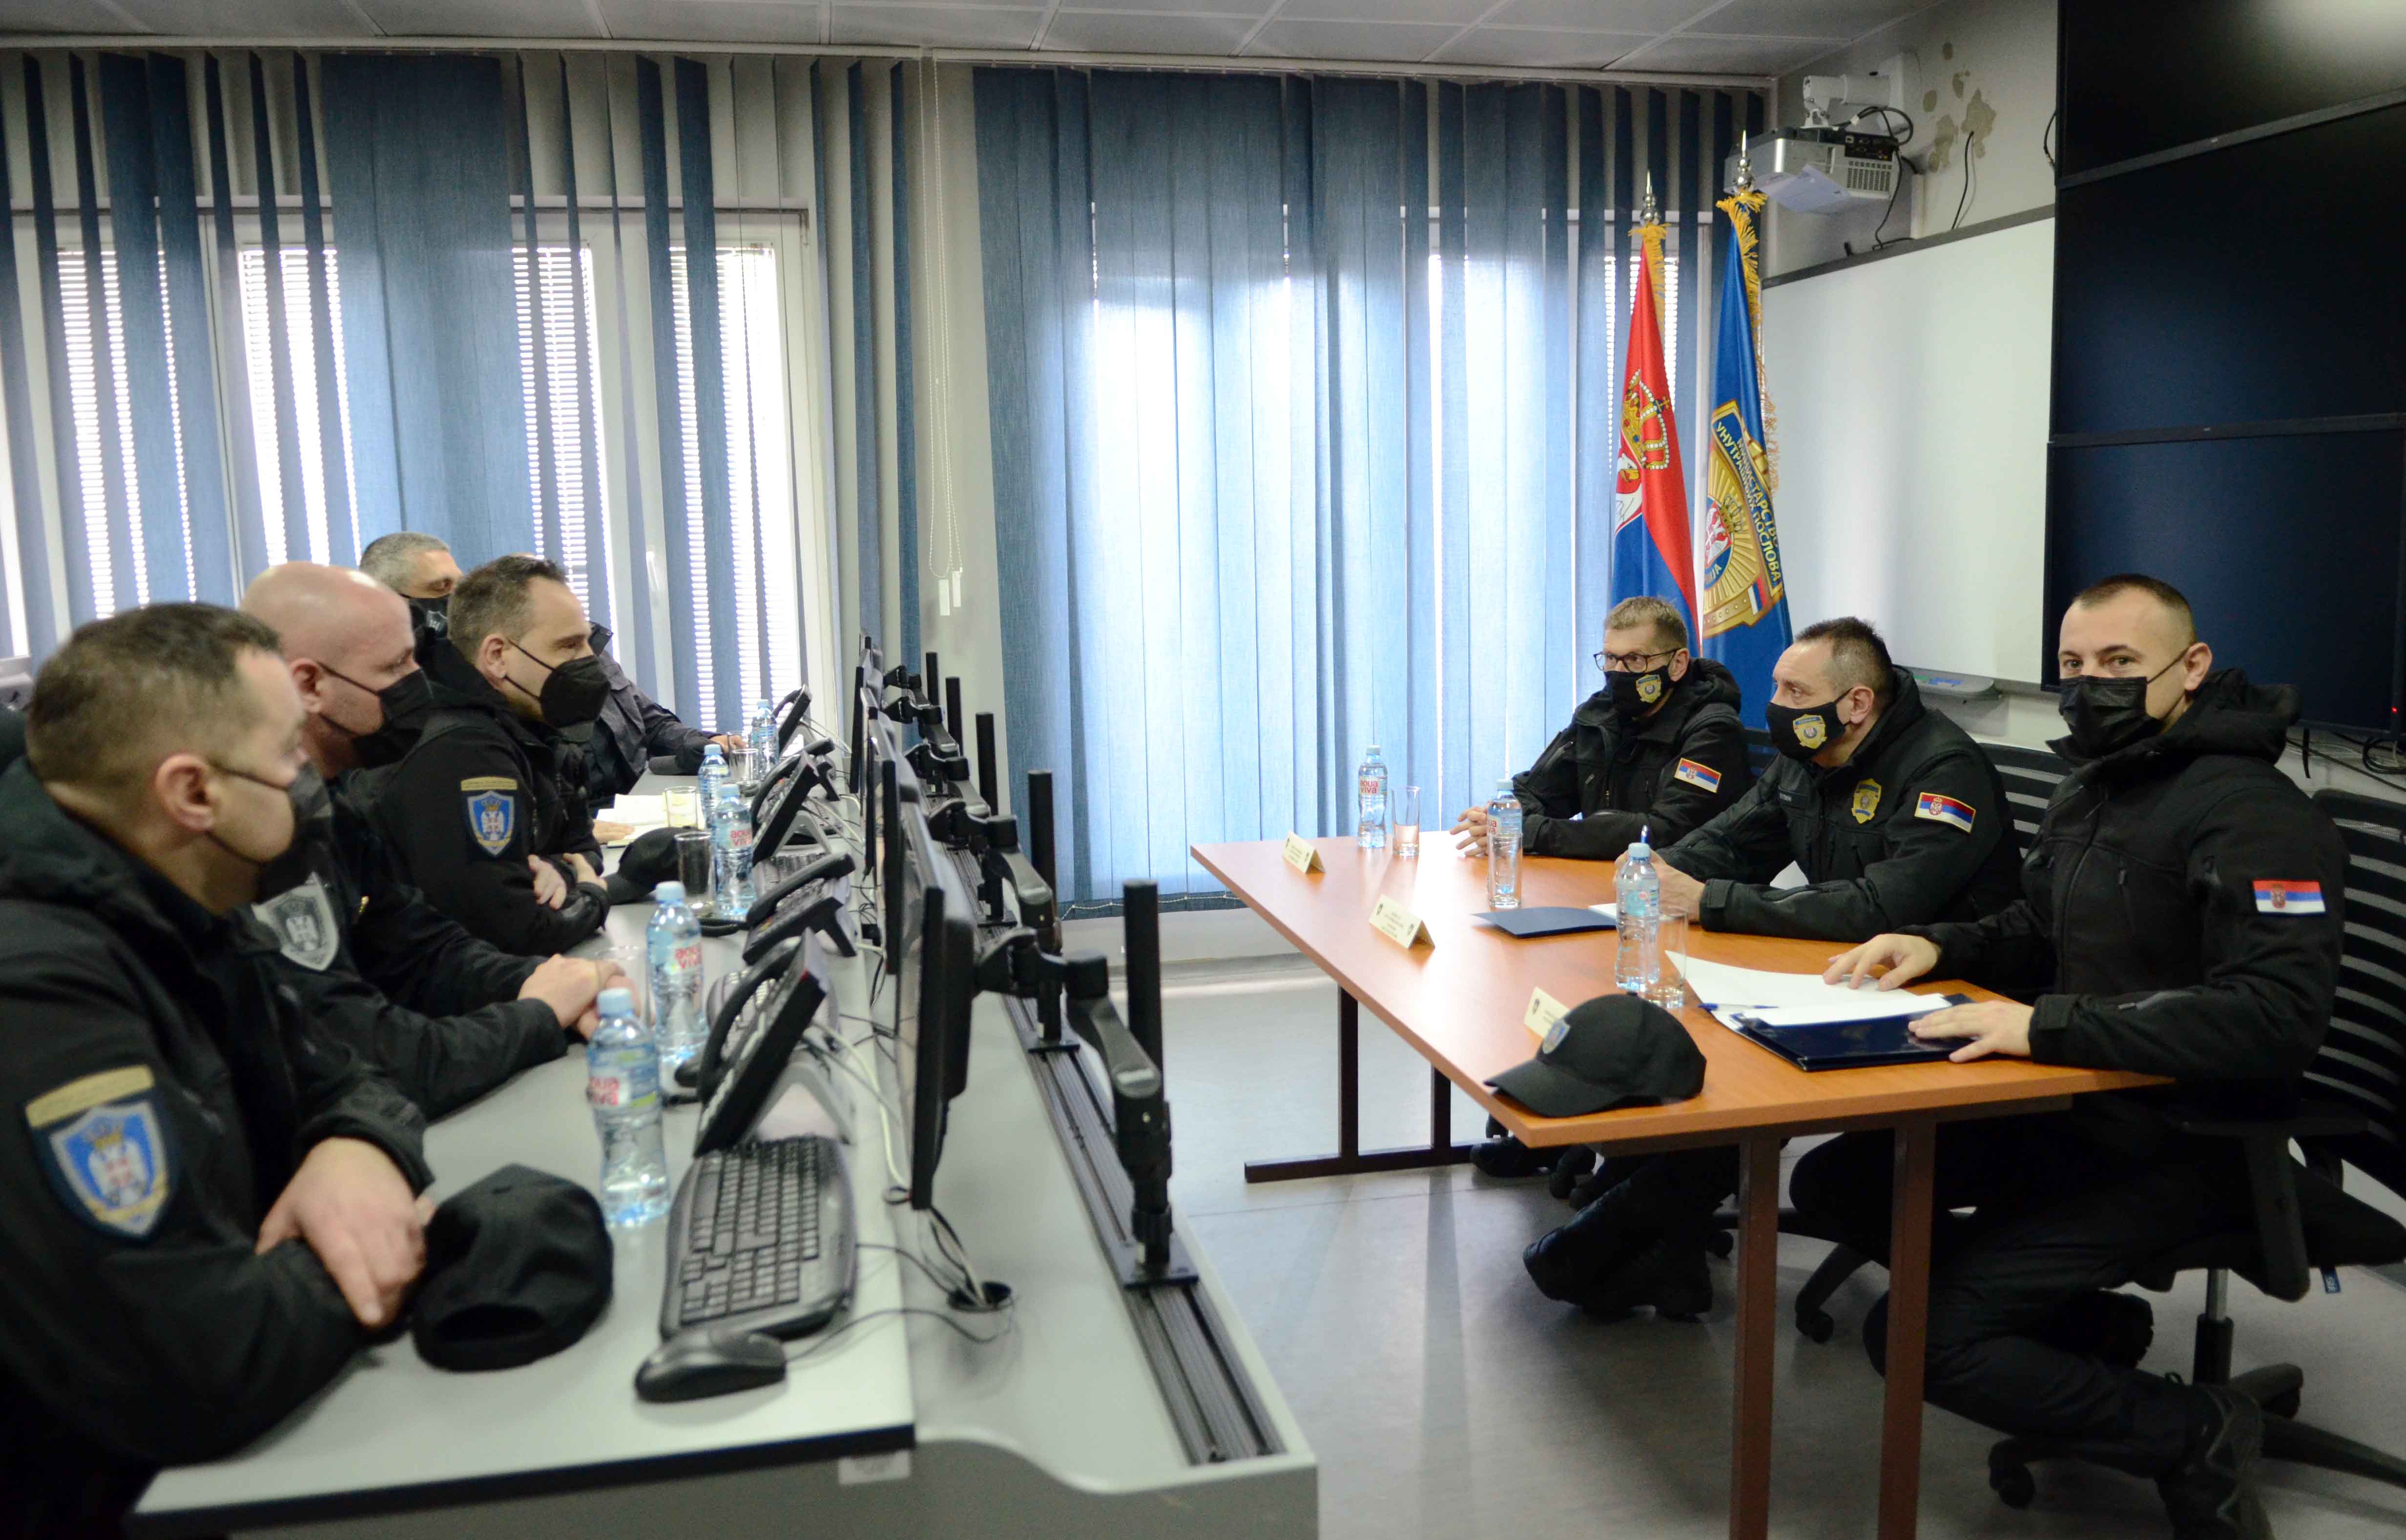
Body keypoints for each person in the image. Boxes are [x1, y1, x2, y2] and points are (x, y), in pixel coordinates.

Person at [1799, 576, 2344, 1540]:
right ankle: (2084, 1336)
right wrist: (1939, 944)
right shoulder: (2103, 781)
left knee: (1920, 1339)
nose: (2090, 684)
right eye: (2074, 665)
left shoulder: (2251, 812)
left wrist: (2044, 1026)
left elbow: (2274, 1015)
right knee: (1843, 1176)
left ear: (2191, 668)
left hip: (2190, 1138)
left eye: (2120, 664)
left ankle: (2191, 1428)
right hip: (2082, 1103)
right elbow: (2039, 923)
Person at [0, 605, 433, 1535]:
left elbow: (353, 1070)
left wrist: (357, 1147)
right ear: (193, 791)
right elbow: (199, 1360)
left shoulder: (178, 894)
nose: (312, 777)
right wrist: (370, 1244)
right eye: (287, 756)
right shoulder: (38, 992)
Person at [1519, 616, 2022, 1319]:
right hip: (1844, 974)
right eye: (1779, 687)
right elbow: (1726, 842)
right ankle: (1656, 1242)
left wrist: (1712, 900)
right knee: (1693, 1032)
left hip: (1949, 991)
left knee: (1742, 1073)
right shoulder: (1807, 756)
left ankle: (1613, 1242)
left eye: (1794, 690)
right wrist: (1647, 879)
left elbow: (1884, 906)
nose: (1777, 705)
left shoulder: (1942, 768)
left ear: (1855, 704)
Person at [241, 563, 620, 1115]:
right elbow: (376, 1053)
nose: (418, 683)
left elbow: (422, 949)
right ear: (309, 685)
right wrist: (536, 1013)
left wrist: (547, 981)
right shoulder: (258, 836)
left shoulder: (327, 808)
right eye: (395, 666)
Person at [1455, 594, 1751, 1179]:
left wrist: (1537, 831)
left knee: (1586, 982)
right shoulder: (1600, 713)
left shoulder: (1711, 729)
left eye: (1637, 662)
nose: (1620, 674)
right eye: (1611, 660)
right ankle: (1551, 1116)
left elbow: (1662, 830)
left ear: (1676, 663)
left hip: (1673, 911)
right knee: (1535, 977)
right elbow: (1537, 787)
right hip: (1593, 893)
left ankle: (1611, 1140)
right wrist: (1502, 815)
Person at [360, 529, 737, 807]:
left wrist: (699, 746)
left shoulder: (585, 651)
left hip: (637, 807)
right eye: (441, 588)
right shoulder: (480, 697)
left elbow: (650, 721)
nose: (453, 600)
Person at [362, 555, 612, 955]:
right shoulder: (461, 750)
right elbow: (517, 928)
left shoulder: (530, 724)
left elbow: (582, 846)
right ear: (496, 656)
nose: (590, 661)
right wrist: (592, 895)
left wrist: (557, 870)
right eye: (568, 645)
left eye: (586, 641)